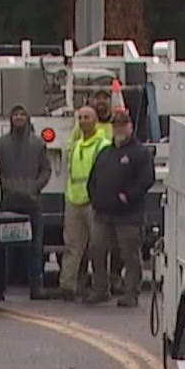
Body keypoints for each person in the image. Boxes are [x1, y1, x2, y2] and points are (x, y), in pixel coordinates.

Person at [84, 109, 154, 307]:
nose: (119, 129)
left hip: (129, 215)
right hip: (103, 213)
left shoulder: (140, 152)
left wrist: (128, 196)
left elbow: (146, 179)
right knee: (96, 250)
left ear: (130, 127)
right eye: (116, 125)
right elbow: (93, 178)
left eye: (123, 125)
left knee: (130, 254)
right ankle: (100, 289)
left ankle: (131, 293)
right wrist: (95, 198)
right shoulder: (106, 152)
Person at [0, 105, 52, 299]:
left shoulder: (38, 144)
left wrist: (35, 187)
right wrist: (6, 187)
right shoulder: (0, 144)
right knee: (6, 251)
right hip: (8, 203)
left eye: (22, 114)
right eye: (15, 114)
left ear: (28, 117)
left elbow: (46, 170)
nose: (19, 118)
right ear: (10, 118)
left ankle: (37, 288)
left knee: (35, 247)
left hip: (32, 202)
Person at [59, 105, 110, 300]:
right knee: (72, 246)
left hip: (93, 202)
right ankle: (67, 286)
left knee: (97, 247)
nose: (83, 121)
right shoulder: (76, 145)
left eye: (87, 117)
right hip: (73, 200)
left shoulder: (103, 145)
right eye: (80, 118)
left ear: (95, 120)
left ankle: (100, 288)